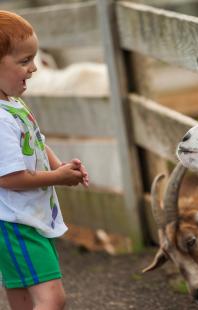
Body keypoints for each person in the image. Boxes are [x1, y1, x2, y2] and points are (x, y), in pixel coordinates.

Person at [0, 10, 89, 310]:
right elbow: (9, 178)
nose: (34, 68)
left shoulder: (13, 104)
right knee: (52, 298)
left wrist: (59, 165)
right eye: (24, 61)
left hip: (23, 218)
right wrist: (58, 179)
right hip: (14, 222)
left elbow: (36, 141)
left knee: (24, 300)